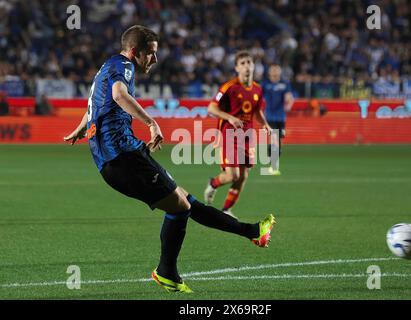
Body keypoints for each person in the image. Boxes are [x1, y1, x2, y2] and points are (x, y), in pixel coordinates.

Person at [63, 25, 276, 293]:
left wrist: (82, 127)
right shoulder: (124, 66)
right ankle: (166, 272)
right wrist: (151, 123)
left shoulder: (107, 66)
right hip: (123, 156)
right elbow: (118, 95)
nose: (154, 59)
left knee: (186, 201)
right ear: (134, 52)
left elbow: (96, 101)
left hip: (117, 158)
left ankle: (253, 231)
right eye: (150, 53)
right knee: (180, 207)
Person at [204, 51, 272, 218]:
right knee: (232, 175)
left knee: (243, 176)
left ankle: (226, 210)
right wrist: (230, 118)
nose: (246, 66)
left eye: (249, 62)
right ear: (236, 68)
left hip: (247, 136)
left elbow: (257, 111)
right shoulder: (229, 87)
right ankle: (213, 183)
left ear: (254, 66)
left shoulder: (257, 89)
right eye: (242, 63)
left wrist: (265, 125)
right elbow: (211, 108)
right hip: (229, 134)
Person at [261, 63, 294, 175]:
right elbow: (258, 96)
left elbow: (289, 96)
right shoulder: (265, 84)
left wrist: (289, 103)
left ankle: (272, 159)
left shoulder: (285, 84)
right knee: (274, 138)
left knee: (279, 142)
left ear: (280, 72)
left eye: (277, 70)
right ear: (269, 72)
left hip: (281, 117)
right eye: (273, 70)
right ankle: (273, 166)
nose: (275, 72)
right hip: (269, 117)